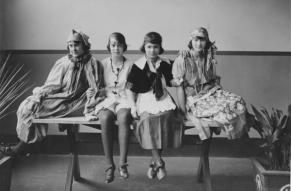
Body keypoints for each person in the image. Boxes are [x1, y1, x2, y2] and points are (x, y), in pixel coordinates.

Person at [0, 29, 104, 156]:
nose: (73, 49)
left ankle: (23, 147)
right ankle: (27, 144)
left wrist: (91, 94)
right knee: (28, 106)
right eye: (71, 46)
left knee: (35, 110)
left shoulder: (93, 63)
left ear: (84, 45)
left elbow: (96, 86)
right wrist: (39, 95)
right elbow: (53, 85)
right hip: (63, 98)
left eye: (77, 45)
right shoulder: (64, 62)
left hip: (80, 102)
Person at [172, 27, 247, 141]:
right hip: (194, 99)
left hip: (210, 93)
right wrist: (182, 111)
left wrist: (220, 95)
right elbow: (179, 87)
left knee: (237, 100)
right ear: (190, 41)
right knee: (223, 111)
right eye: (196, 40)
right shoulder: (183, 59)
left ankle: (240, 136)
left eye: (202, 40)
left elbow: (212, 81)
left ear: (206, 41)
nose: (199, 43)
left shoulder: (208, 56)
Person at [126, 32, 183, 180]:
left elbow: (170, 81)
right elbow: (129, 88)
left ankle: (154, 163)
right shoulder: (137, 66)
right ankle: (159, 161)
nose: (152, 50)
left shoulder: (165, 63)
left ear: (160, 48)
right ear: (144, 47)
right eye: (149, 47)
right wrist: (132, 106)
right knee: (148, 121)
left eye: (156, 47)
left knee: (166, 118)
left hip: (162, 98)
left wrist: (176, 82)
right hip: (145, 99)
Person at [85, 32, 132, 183]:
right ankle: (109, 165)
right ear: (109, 47)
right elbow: (98, 86)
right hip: (107, 99)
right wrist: (93, 91)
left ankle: (123, 164)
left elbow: (131, 87)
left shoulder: (130, 65)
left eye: (119, 45)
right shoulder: (102, 64)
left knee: (124, 117)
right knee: (105, 118)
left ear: (124, 46)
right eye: (113, 45)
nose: (116, 48)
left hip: (124, 98)